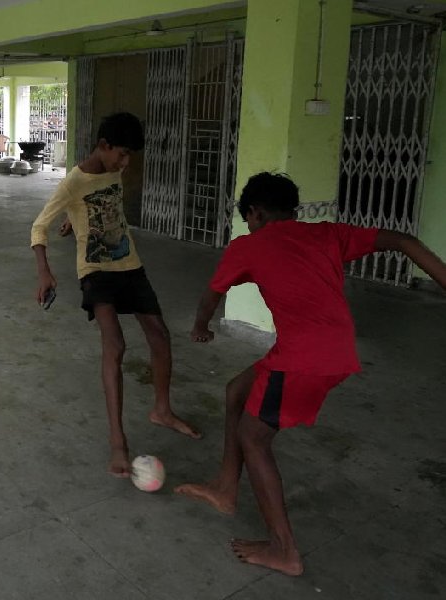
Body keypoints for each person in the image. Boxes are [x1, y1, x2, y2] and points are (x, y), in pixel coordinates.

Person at [176, 172, 446, 576]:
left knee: (255, 437)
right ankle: (225, 489)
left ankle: (285, 549)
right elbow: (403, 241)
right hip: (331, 349)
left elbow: (211, 296)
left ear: (256, 212)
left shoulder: (248, 245)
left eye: (248, 218)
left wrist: (201, 327)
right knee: (236, 392)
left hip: (304, 360)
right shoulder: (326, 234)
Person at [31, 112, 201, 479]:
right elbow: (38, 225)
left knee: (160, 335)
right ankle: (118, 443)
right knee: (116, 346)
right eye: (121, 155)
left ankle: (162, 410)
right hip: (95, 271)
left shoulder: (114, 170)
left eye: (129, 158)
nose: (125, 164)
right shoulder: (73, 182)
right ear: (103, 145)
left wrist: (75, 219)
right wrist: (45, 270)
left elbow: (100, 208)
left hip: (130, 263)